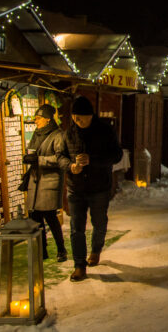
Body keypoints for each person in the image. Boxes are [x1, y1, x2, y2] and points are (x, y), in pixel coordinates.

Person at [65, 96, 123, 282]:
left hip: (99, 186)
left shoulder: (105, 131)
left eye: (80, 117)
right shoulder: (70, 133)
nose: (77, 120)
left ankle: (96, 249)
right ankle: (79, 265)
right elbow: (61, 156)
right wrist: (70, 166)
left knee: (99, 222)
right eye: (74, 117)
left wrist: (93, 160)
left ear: (90, 115)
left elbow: (116, 155)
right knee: (76, 227)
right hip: (76, 187)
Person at [23, 104, 69, 262]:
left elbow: (60, 158)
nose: (35, 121)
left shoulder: (58, 135)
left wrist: (39, 160)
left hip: (49, 182)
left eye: (38, 118)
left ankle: (61, 249)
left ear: (47, 120)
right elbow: (32, 151)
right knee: (35, 218)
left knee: (50, 216)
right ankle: (41, 251)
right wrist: (28, 157)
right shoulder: (37, 134)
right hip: (35, 181)